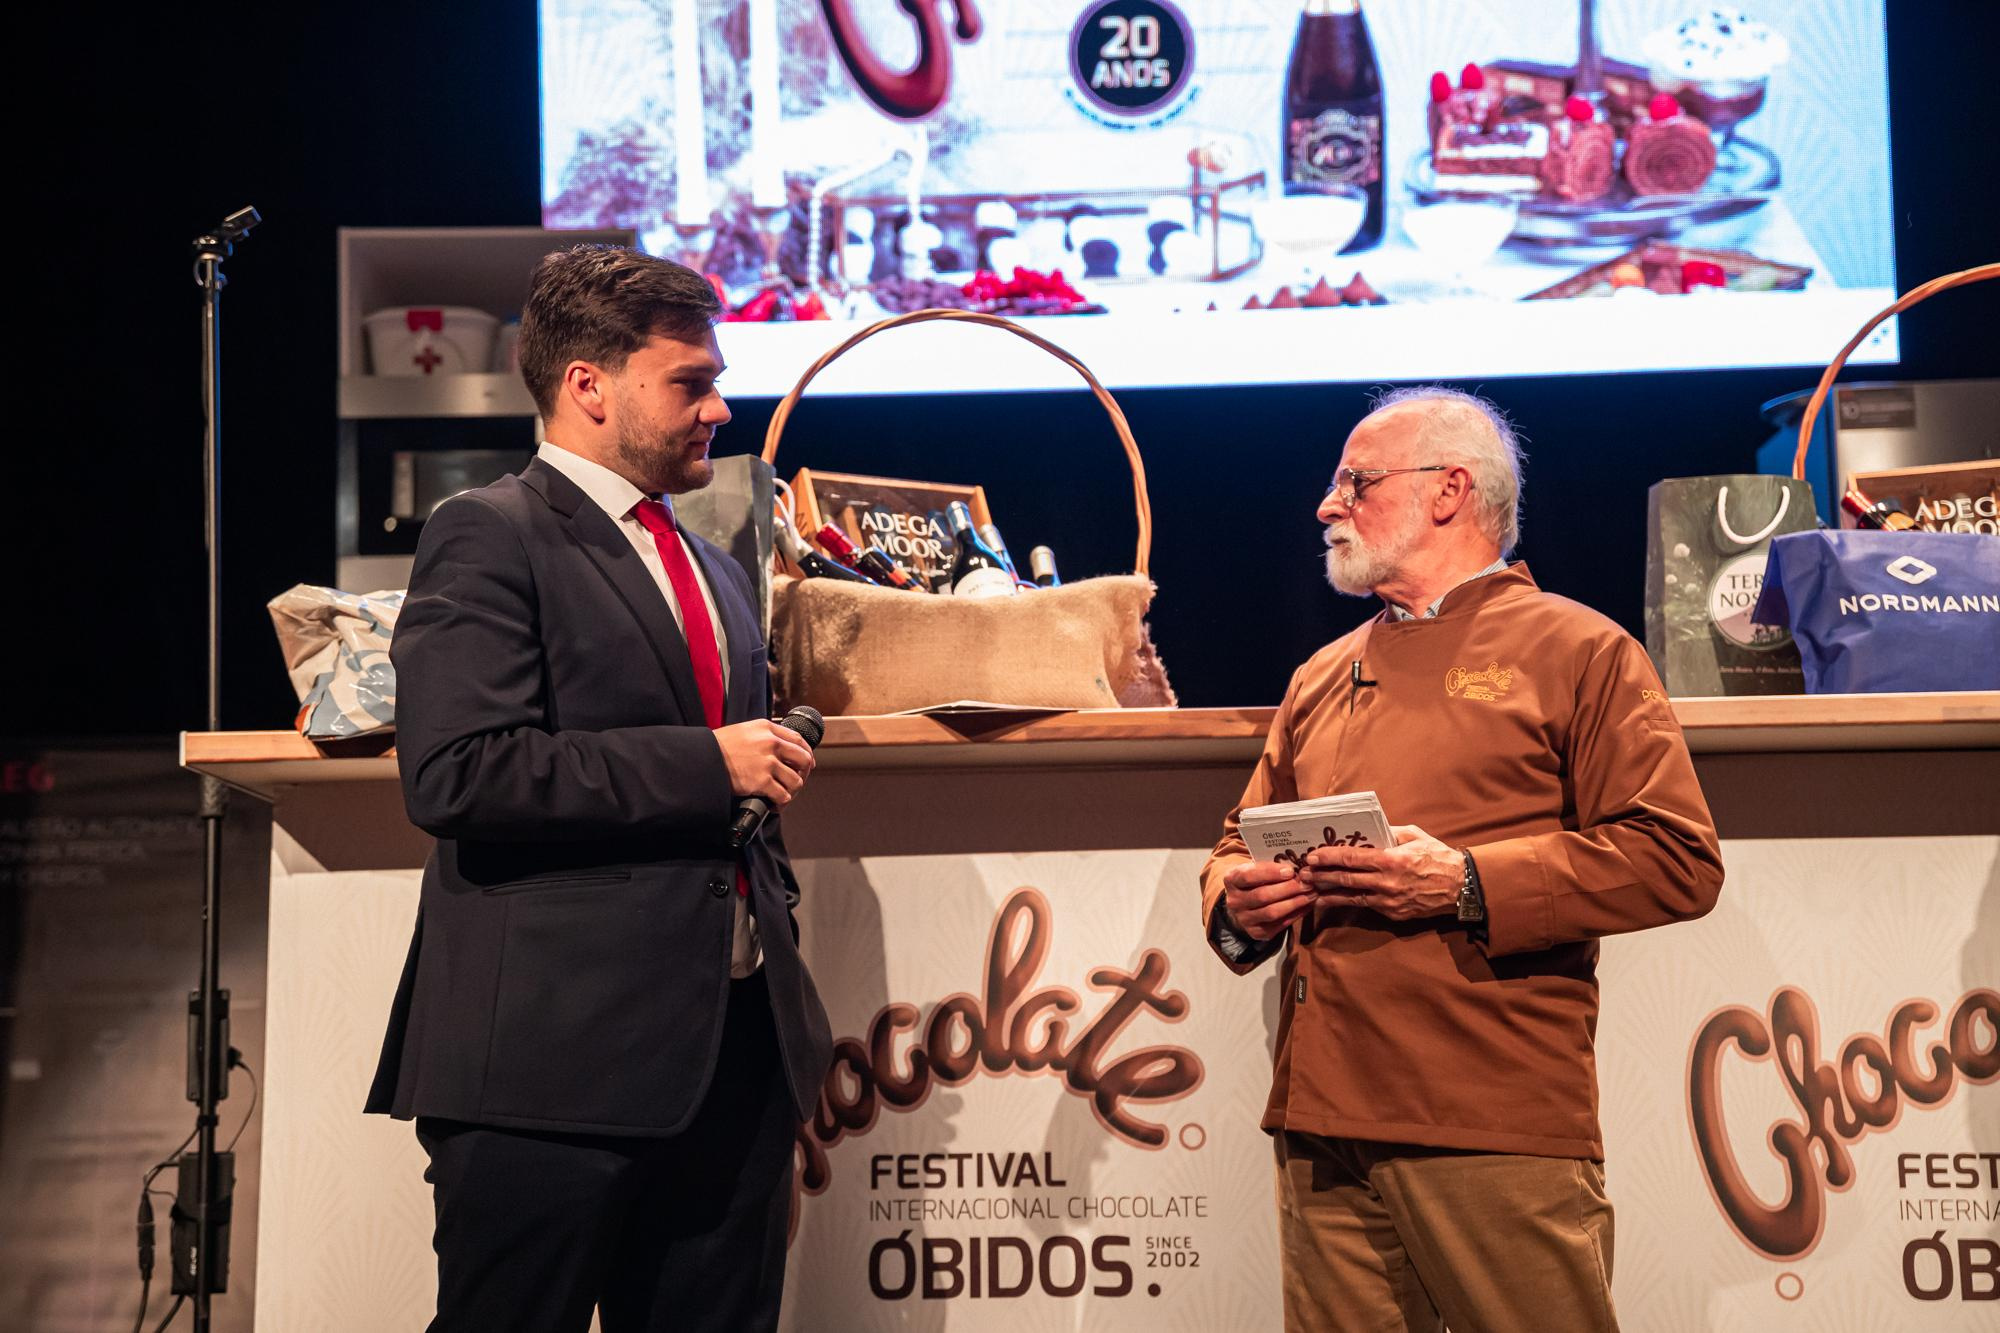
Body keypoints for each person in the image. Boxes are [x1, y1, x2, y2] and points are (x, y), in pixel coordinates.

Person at [366, 244, 833, 1333]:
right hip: (549, 1069)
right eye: (689, 382)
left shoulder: (717, 566)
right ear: (587, 386)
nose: (719, 406)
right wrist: (707, 761)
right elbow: (456, 771)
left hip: (728, 1061)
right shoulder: (486, 531)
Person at [1200, 387, 1724, 1333]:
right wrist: (1239, 901)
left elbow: (1676, 855)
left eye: (1354, 482)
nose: (1328, 506)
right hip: (1322, 1117)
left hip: (1487, 1115)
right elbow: (1239, 837)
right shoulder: (1319, 674)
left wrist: (1468, 881)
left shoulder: (1577, 649)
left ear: (1450, 490)